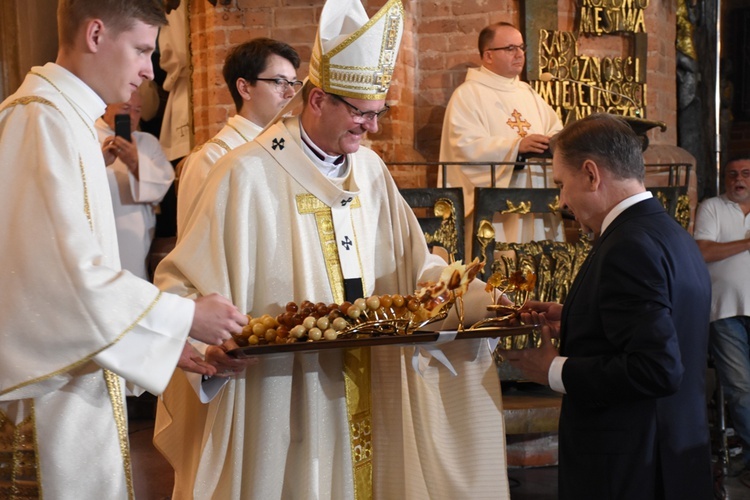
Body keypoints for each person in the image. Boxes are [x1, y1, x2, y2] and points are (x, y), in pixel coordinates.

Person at [153, 0, 510, 498]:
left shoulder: (371, 171)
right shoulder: (244, 174)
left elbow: (413, 263)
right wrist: (203, 344)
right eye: (361, 113)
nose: (374, 128)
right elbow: (180, 282)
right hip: (284, 388)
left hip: (374, 374)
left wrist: (465, 295)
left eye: (378, 113)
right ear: (317, 99)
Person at [0, 1, 248, 498]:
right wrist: (183, 316)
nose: (147, 69)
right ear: (95, 34)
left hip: (79, 381)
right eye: (140, 49)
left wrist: (159, 338)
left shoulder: (67, 119)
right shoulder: (40, 120)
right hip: (50, 400)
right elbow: (59, 279)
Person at [500, 113, 713, 499]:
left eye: (562, 184)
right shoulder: (670, 232)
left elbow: (657, 369)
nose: (561, 201)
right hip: (673, 454)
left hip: (631, 468)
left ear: (591, 174)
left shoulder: (628, 246)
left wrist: (552, 369)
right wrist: (577, 316)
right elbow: (665, 325)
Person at [439, 22, 563, 244]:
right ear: (488, 56)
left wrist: (554, 142)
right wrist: (516, 148)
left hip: (537, 196)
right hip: (498, 208)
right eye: (510, 48)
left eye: (521, 47)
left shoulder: (528, 93)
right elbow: (464, 148)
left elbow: (556, 131)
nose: (519, 54)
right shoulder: (468, 95)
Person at [176, 38, 301, 233]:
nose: (291, 93)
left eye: (294, 83)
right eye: (279, 82)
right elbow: (195, 246)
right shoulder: (211, 158)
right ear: (244, 88)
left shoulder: (292, 150)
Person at [694, 157, 750, 482]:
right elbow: (702, 251)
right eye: (732, 175)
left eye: (745, 174)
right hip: (725, 311)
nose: (738, 179)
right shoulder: (712, 207)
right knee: (741, 388)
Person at [97, 88, 175, 279]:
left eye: (137, 110)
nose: (132, 116)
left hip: (136, 234)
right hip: (100, 228)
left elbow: (163, 183)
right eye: (126, 108)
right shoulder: (86, 134)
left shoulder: (147, 142)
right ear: (106, 107)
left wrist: (135, 163)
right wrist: (100, 160)